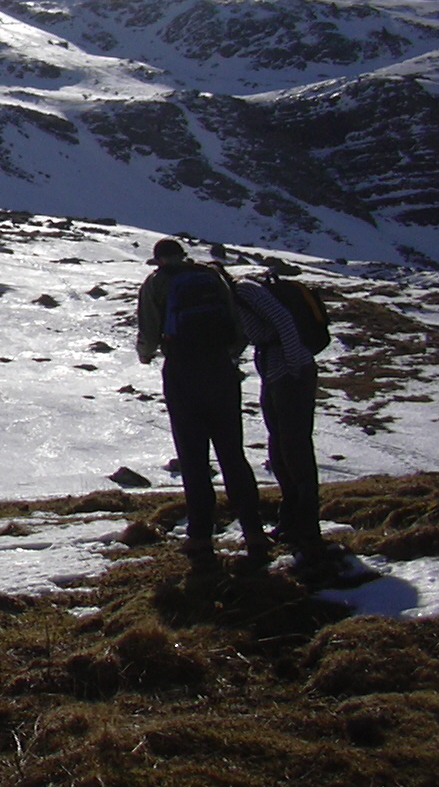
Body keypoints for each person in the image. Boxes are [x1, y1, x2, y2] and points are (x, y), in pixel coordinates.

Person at [135, 237, 270, 571]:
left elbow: (149, 332)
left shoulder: (156, 283)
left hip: (182, 371)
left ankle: (200, 537)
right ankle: (253, 532)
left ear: (159, 260)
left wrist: (146, 354)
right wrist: (229, 354)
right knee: (232, 453)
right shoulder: (211, 277)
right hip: (221, 370)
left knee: (193, 456)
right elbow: (237, 326)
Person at [233, 272, 327, 570]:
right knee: (280, 446)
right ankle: (291, 518)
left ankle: (307, 525)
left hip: (290, 371)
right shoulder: (232, 298)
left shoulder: (245, 290)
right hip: (274, 371)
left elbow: (284, 320)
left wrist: (295, 363)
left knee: (294, 446)